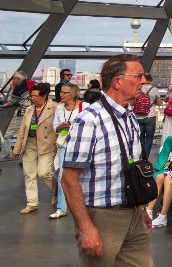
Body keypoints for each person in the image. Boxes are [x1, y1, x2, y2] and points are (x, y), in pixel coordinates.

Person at [62, 54, 152, 267]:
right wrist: (86, 228)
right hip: (103, 218)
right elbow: (69, 179)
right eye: (138, 76)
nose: (144, 81)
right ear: (117, 82)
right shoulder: (89, 120)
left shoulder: (129, 117)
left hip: (133, 214)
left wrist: (141, 210)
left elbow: (130, 168)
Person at [12, 82, 58, 214]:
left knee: (44, 172)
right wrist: (17, 148)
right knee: (29, 173)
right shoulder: (29, 109)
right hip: (30, 143)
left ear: (45, 96)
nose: (33, 98)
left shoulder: (54, 108)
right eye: (32, 96)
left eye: (36, 96)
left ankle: (57, 191)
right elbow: (23, 130)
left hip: (46, 144)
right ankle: (32, 203)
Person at [51, 83, 87, 219]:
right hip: (64, 144)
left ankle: (82, 203)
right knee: (62, 176)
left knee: (81, 174)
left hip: (79, 145)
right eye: (61, 92)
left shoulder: (85, 107)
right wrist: (61, 126)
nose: (61, 95)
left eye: (64, 92)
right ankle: (61, 207)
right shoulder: (60, 108)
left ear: (72, 94)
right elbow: (55, 127)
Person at [133, 73, 159, 160]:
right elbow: (159, 103)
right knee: (149, 138)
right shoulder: (154, 89)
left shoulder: (137, 88)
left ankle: (140, 155)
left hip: (137, 117)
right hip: (150, 116)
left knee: (140, 138)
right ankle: (145, 157)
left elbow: (132, 103)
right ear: (150, 80)